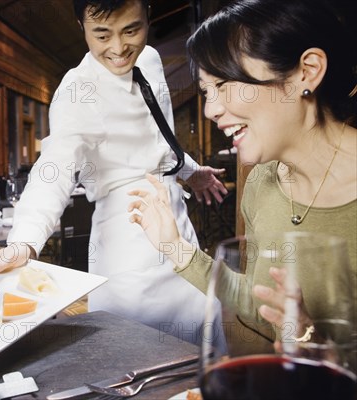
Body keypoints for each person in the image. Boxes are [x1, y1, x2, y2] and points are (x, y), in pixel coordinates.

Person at [0, 0, 228, 345]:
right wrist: (24, 242)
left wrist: (189, 171)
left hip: (180, 233)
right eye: (102, 34)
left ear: (148, 14)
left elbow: (157, 140)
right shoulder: (75, 93)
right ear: (80, 25)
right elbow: (52, 170)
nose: (118, 49)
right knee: (136, 357)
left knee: (204, 353)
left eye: (132, 30)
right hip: (126, 248)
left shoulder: (151, 59)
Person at [128, 0, 356, 348]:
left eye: (224, 83)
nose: (210, 109)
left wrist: (315, 345)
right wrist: (174, 247)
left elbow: (304, 337)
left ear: (306, 72)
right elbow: (259, 303)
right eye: (206, 92)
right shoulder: (263, 180)